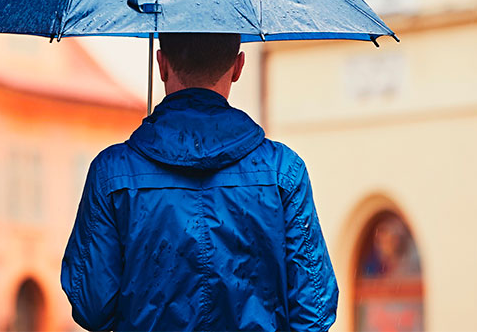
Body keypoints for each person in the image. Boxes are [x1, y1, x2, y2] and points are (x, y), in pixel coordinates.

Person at [61, 33, 338, 331]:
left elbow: (91, 308)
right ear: (238, 66)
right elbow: (314, 310)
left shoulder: (113, 173)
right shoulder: (283, 171)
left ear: (161, 64)